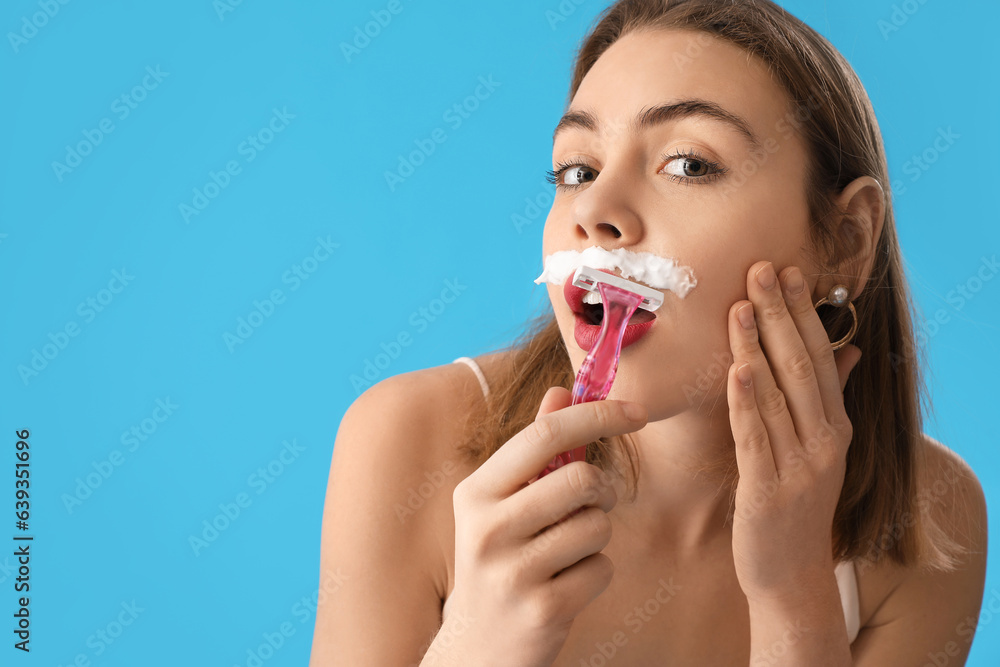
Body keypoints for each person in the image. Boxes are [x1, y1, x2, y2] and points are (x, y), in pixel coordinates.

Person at [310, 1, 988, 664]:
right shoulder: (406, 443)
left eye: (689, 164)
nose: (595, 210)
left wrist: (793, 595)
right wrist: (474, 647)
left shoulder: (930, 519)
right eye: (578, 170)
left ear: (844, 240)